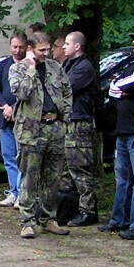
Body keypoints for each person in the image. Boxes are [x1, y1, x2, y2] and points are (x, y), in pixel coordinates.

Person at [10, 32, 72, 238]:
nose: (46, 53)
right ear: (31, 49)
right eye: (41, 50)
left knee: (53, 177)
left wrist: (65, 119)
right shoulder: (17, 68)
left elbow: (67, 92)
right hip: (31, 130)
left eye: (48, 49)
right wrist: (30, 69)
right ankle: (27, 221)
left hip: (54, 126)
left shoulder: (56, 68)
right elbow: (22, 93)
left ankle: (48, 218)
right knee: (30, 176)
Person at [101, 28, 134, 239]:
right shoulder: (132, 65)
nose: (133, 42)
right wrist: (123, 88)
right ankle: (119, 219)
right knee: (122, 177)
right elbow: (114, 88)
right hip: (122, 129)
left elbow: (126, 84)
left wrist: (124, 87)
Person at [59, 31, 99, 226]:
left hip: (79, 122)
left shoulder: (83, 67)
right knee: (66, 168)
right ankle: (69, 207)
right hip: (67, 121)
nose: (63, 47)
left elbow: (65, 88)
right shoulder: (67, 64)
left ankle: (88, 209)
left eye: (67, 43)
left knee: (80, 167)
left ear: (77, 46)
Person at [0, 32, 27, 208]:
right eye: (15, 46)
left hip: (23, 118)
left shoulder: (30, 66)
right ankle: (13, 191)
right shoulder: (3, 65)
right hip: (5, 118)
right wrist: (5, 106)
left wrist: (15, 108)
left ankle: (23, 193)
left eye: (21, 47)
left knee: (22, 157)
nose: (18, 50)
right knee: (8, 156)